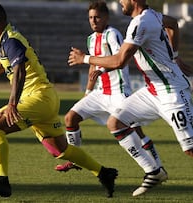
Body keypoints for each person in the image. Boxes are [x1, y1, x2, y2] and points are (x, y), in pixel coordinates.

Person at [0, 1, 118, 198]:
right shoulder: (6, 40)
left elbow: (19, 69)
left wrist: (13, 103)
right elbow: (6, 61)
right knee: (59, 149)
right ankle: (103, 172)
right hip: (45, 99)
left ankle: (1, 180)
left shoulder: (11, 40)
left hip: (37, 98)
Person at [68, 0, 193, 197]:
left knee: (190, 148)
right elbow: (173, 24)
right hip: (152, 90)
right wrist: (174, 55)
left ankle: (155, 170)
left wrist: (85, 58)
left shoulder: (140, 23)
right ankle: (154, 171)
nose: (120, 2)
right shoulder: (153, 15)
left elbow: (119, 61)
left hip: (172, 92)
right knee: (115, 122)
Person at [56, 1, 164, 177]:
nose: (94, 21)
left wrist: (102, 69)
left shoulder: (112, 34)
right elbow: (92, 65)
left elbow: (120, 60)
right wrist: (87, 94)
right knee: (70, 119)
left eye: (97, 17)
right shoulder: (91, 39)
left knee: (136, 131)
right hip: (100, 93)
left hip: (118, 92)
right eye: (91, 17)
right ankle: (74, 159)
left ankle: (158, 166)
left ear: (106, 17)